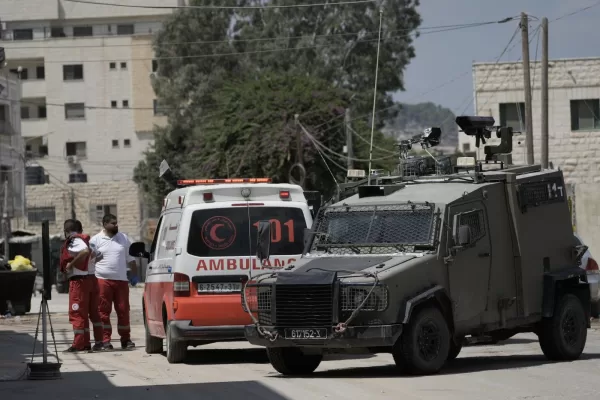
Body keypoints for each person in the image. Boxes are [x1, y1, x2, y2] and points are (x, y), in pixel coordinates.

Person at [90, 214, 138, 350]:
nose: (116, 225)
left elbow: (131, 259)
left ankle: (126, 340)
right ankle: (105, 341)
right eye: (113, 223)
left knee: (123, 310)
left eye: (116, 223)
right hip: (102, 280)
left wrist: (134, 275)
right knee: (103, 312)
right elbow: (89, 261)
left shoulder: (123, 238)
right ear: (104, 224)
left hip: (121, 281)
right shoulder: (96, 240)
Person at [60, 219, 92, 353]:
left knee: (76, 312)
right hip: (83, 280)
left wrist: (71, 264)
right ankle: (84, 343)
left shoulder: (74, 240)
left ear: (66, 231)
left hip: (78, 282)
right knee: (82, 314)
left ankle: (78, 344)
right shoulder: (81, 239)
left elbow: (85, 251)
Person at [74, 220, 104, 351]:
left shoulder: (75, 242)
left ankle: (85, 343)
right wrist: (92, 264)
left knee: (82, 313)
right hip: (93, 278)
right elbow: (100, 256)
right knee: (95, 313)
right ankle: (99, 341)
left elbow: (82, 254)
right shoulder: (90, 242)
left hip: (82, 279)